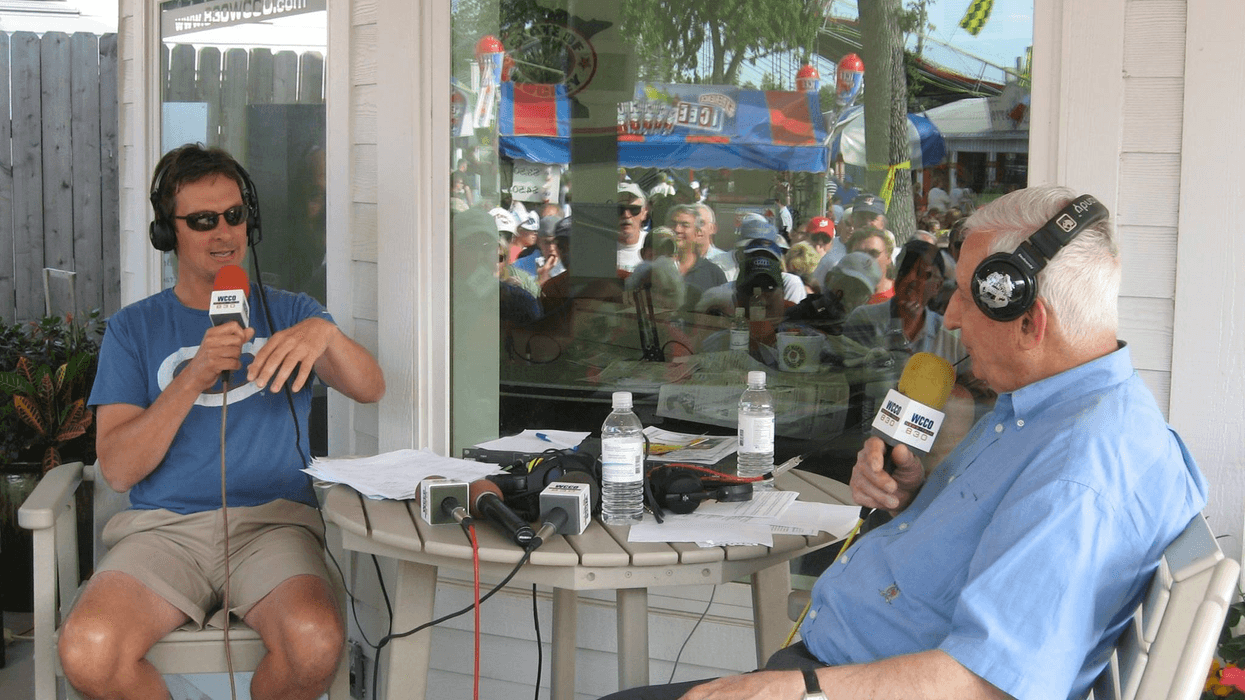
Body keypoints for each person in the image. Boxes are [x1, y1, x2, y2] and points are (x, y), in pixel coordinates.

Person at [599, 184, 1208, 700]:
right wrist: (911, 495)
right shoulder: (1049, 414)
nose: (958, 319)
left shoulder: (1083, 473)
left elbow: (986, 685)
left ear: (1030, 318)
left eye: (968, 297)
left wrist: (793, 689)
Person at [59, 144, 386, 700]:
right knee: (89, 650)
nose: (224, 232)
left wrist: (326, 333)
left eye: (234, 215)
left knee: (313, 641)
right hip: (162, 532)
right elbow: (117, 468)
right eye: (203, 220)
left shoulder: (291, 312)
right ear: (169, 233)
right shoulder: (133, 329)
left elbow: (369, 387)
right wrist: (194, 375)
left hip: (274, 526)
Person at [617, 182, 650, 273]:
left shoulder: (655, 245)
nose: (626, 215)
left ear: (644, 212)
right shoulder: (600, 248)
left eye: (634, 209)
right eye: (619, 209)